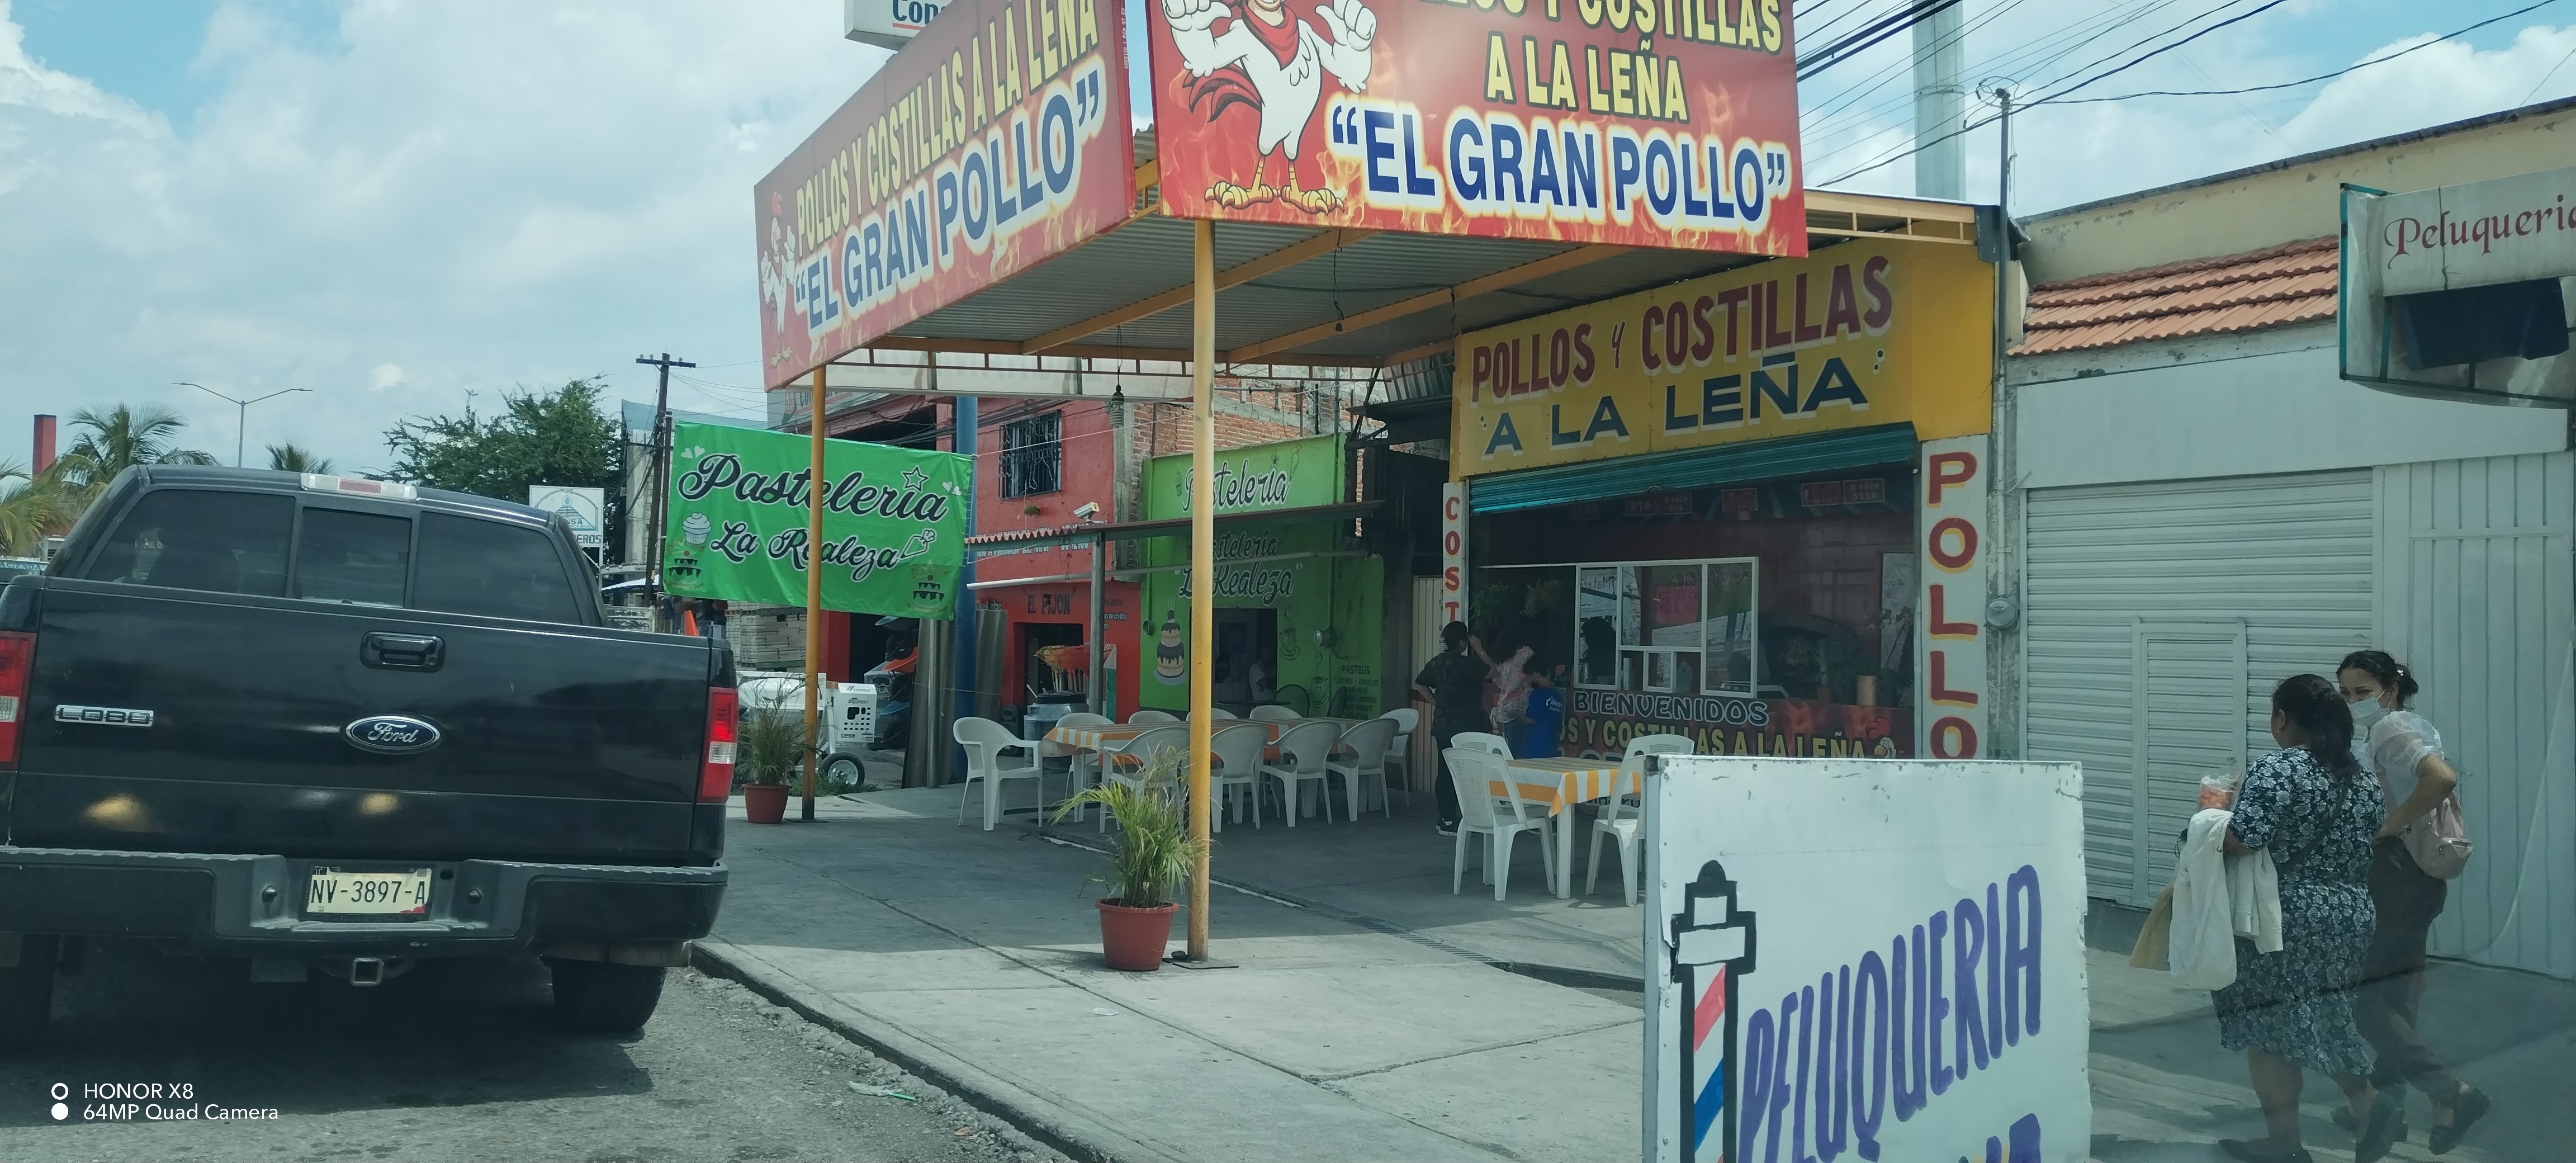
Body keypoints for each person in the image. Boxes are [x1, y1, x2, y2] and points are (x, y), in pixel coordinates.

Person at [2213, 673, 2395, 1163]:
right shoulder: (2362, 779)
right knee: (2328, 1016)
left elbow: (2244, 840)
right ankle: (2368, 1104)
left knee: (2268, 1028)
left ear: (2284, 719)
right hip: (2349, 912)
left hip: (2284, 916)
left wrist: (2212, 816)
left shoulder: (2279, 769)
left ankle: (2284, 1143)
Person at [2336, 650, 2489, 1155]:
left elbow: (2442, 778)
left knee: (2366, 1002)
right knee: (2397, 994)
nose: (2354, 702)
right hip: (2416, 878)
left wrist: (2388, 824)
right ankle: (2391, 1103)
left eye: (2362, 691)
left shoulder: (2391, 729)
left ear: (2391, 687)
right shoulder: (2409, 725)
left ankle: (2450, 1092)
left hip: (2395, 874)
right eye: (2346, 694)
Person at [1412, 622, 1489, 836]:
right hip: (1468, 728)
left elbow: (1420, 684)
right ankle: (1467, 817)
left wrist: (1436, 701)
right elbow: (1494, 671)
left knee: (1445, 773)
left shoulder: (1439, 662)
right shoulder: (1468, 665)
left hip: (1444, 726)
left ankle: (1446, 818)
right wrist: (1480, 649)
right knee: (1469, 774)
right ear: (1464, 642)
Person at [1513, 663, 1564, 759]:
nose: (1527, 680)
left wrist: (1516, 714)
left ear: (1535, 676)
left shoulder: (1538, 694)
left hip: (1535, 746)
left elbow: (1531, 720)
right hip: (1551, 745)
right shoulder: (1558, 696)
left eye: (1528, 676)